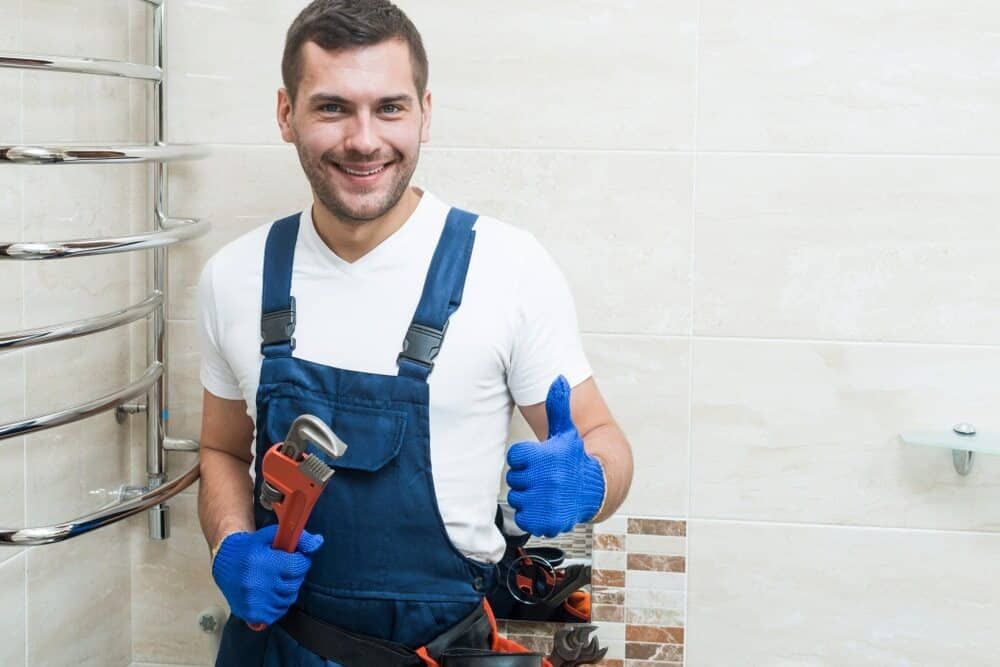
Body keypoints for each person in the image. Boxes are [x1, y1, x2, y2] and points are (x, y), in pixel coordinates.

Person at [196, 1, 634, 664]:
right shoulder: (235, 276)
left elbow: (604, 438)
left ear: (425, 112)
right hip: (276, 651)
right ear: (286, 114)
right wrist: (228, 544)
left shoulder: (508, 268)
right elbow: (221, 449)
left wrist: (591, 481)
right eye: (332, 107)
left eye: (390, 108)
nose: (364, 139)